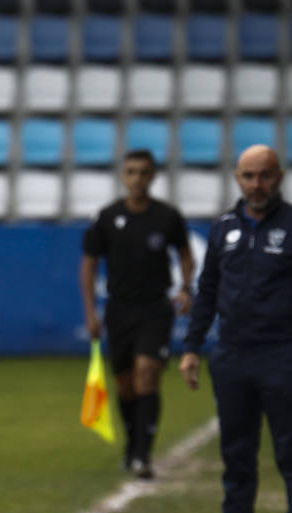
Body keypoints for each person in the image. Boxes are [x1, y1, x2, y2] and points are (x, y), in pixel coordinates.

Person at [181, 144, 292, 513]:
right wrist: (192, 347)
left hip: (283, 355)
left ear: (279, 176)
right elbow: (207, 290)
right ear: (236, 178)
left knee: (290, 455)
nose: (256, 185)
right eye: (248, 176)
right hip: (231, 357)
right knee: (237, 456)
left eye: (264, 175)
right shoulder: (223, 227)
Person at [80, 148, 195, 480]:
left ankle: (143, 455)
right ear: (122, 175)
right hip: (119, 309)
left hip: (155, 307)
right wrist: (90, 312)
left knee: (148, 372)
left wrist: (185, 287)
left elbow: (186, 254)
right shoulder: (107, 217)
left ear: (153, 176)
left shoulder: (167, 217)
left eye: (144, 172)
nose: (137, 179)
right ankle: (132, 445)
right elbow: (88, 264)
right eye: (131, 172)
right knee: (126, 385)